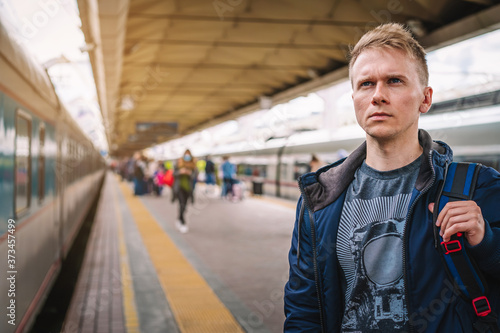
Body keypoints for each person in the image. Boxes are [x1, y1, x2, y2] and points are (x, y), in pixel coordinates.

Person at [284, 23, 500, 332]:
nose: (378, 95)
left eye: (394, 81)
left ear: (425, 99)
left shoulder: (477, 187)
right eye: (366, 84)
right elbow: (304, 307)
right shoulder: (321, 199)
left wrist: (486, 241)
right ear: (355, 99)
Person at [173, 149, 197, 233]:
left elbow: (195, 175)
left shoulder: (193, 165)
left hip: (188, 188)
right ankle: (183, 223)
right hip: (179, 187)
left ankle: (179, 218)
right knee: (182, 203)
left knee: (185, 205)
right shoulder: (178, 164)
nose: (187, 156)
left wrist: (189, 173)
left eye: (188, 155)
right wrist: (180, 172)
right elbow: (174, 174)